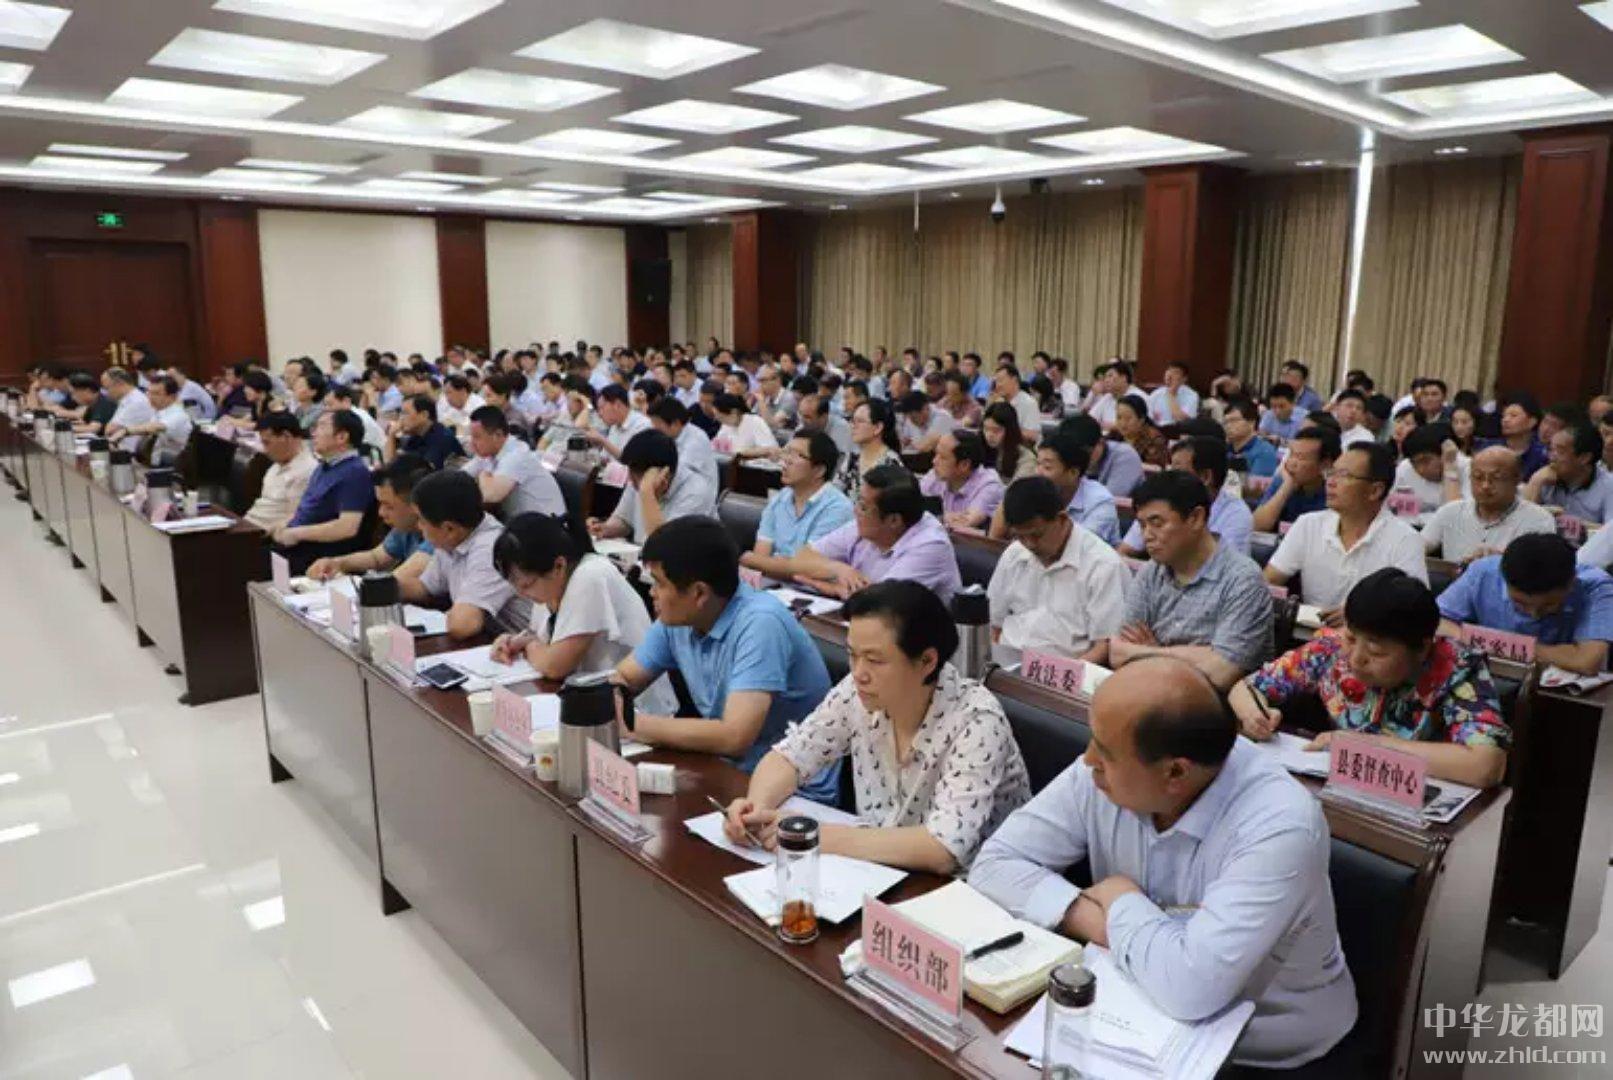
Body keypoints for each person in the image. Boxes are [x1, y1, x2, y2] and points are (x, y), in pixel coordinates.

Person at [969, 657, 1357, 1069]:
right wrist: (1100, 920)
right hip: (1130, 1010)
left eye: (1104, 751)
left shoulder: (1280, 825)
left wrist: (1120, 899)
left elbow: (1193, 988)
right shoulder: (1110, 768)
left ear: (1175, 773)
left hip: (1265, 1049)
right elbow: (994, 864)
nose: (1087, 759)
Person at [725, 581, 1031, 872]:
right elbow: (790, 757)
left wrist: (823, 836)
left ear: (926, 661)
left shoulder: (977, 720)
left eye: (875, 660)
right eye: (852, 655)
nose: (859, 673)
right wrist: (755, 810)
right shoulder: (856, 691)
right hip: (879, 870)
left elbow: (943, 849)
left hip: (969, 890)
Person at [611, 517, 840, 802]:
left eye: (659, 583)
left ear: (699, 593)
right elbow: (624, 678)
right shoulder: (678, 619)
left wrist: (631, 723)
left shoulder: (760, 623)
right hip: (725, 770)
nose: (651, 592)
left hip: (793, 793)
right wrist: (610, 699)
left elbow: (735, 737)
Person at [1235, 569, 1510, 789]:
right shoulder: (1330, 648)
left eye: (1376, 652)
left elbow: (1487, 765)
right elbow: (1243, 687)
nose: (1356, 659)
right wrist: (1253, 714)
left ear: (1422, 648)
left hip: (1412, 803)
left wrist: (1364, 746)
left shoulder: (1457, 668)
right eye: (1351, 638)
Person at [1086, 471, 1272, 689]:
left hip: (1213, 704)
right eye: (1142, 525)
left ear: (1196, 518)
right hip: (1149, 690)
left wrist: (1152, 652)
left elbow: (1222, 672)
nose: (1147, 535)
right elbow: (1118, 653)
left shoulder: (1242, 579)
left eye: (1157, 523)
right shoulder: (1151, 572)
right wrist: (1195, 655)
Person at [487, 513, 678, 713]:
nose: (521, 594)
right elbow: (544, 643)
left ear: (559, 566)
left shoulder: (590, 576)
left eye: (527, 585)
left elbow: (554, 666)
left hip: (636, 709)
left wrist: (529, 645)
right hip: (590, 699)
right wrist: (516, 641)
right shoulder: (552, 583)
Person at [1265, 442, 1428, 618]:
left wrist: (1361, 614)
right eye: (1331, 473)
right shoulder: (1308, 524)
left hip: (1367, 632)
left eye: (1344, 475)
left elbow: (1413, 610)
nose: (1330, 482)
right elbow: (1270, 579)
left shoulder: (1405, 539)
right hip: (1308, 629)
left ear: (1375, 491)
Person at [989, 477, 1128, 658]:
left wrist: (1068, 671)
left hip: (1066, 668)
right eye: (1020, 537)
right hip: (1008, 660)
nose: (1029, 545)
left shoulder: (1103, 565)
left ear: (1062, 519)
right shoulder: (1014, 554)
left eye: (1036, 535)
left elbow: (1105, 646)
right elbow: (995, 624)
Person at [1437, 534, 1613, 676]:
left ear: (1571, 583)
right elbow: (1436, 624)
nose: (1534, 614)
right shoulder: (1484, 572)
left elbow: (1586, 661)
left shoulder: (1597, 588)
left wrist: (1485, 642)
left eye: (1549, 605)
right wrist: (1558, 654)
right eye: (1519, 603)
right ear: (1504, 579)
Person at [782, 464, 961, 602]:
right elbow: (800, 560)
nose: (855, 511)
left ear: (893, 520)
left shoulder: (931, 545)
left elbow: (880, 602)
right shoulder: (867, 524)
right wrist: (838, 569)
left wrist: (832, 588)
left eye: (863, 507)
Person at [398, 470, 527, 638]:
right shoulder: (452, 539)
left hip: (526, 647)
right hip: (495, 642)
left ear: (449, 528)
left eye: (421, 520)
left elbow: (463, 625)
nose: (418, 526)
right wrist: (380, 586)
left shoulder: (491, 549)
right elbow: (425, 588)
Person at [305, 454, 435, 584]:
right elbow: (376, 558)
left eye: (388, 506)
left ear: (416, 505)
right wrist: (336, 563)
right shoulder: (406, 528)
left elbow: (390, 585)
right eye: (380, 504)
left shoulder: (438, 537)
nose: (381, 513)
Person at [741, 432, 855, 577]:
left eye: (798, 455)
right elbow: (760, 557)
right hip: (769, 582)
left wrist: (750, 559)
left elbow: (806, 569)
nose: (786, 460)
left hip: (810, 589)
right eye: (787, 452)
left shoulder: (838, 508)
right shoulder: (780, 498)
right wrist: (773, 564)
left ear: (819, 470)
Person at [273, 411, 374, 573]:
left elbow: (347, 527)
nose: (314, 433)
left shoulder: (355, 472)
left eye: (321, 426)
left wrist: (296, 533)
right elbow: (307, 508)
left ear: (342, 437)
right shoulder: (324, 466)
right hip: (294, 544)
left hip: (318, 556)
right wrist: (285, 524)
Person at [1118, 436, 1251, 555]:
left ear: (1205, 477)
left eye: (1177, 473)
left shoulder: (1236, 515)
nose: (1169, 480)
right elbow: (1125, 551)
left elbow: (1224, 568)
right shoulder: (1160, 503)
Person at [1421, 446, 1555, 564]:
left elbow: (1537, 569)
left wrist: (1500, 561)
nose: (1485, 486)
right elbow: (1418, 548)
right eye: (1478, 477)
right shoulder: (1450, 512)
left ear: (1517, 479)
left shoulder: (1538, 519)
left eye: (1496, 478)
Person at [590, 430, 717, 545]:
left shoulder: (696, 493)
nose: (630, 480)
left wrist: (647, 493)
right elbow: (624, 521)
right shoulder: (636, 476)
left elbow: (663, 547)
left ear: (664, 474)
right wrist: (606, 529)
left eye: (635, 475)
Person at [992, 432, 1119, 546]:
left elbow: (1081, 548)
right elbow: (995, 538)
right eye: (1038, 464)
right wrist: (1014, 496)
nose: (1038, 472)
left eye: (1047, 467)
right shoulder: (1036, 492)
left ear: (1073, 473)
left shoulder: (1100, 502)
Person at [462, 406, 566, 520]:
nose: (472, 443)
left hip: (547, 524)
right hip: (520, 521)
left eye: (477, 437)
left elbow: (491, 496)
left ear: (497, 435)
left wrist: (483, 474)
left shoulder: (517, 455)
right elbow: (459, 477)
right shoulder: (488, 452)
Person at [240, 413, 318, 533]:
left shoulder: (307, 471)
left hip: (265, 534)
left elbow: (295, 521)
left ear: (286, 437)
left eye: (267, 443)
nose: (265, 450)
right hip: (248, 525)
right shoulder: (276, 464)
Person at [1250, 425, 1336, 533]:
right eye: (1291, 454)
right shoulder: (1283, 481)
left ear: (1325, 465)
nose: (1292, 462)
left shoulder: (1334, 491)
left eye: (1301, 457)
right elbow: (1256, 526)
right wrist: (1286, 488)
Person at [1523, 422, 1613, 524]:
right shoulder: (1545, 478)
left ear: (1584, 458)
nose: (1551, 457)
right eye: (1551, 449)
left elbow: (1610, 530)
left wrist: (1576, 525)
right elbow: (1521, 522)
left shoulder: (1609, 486)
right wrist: (1536, 481)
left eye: (1560, 452)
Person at [918, 431, 1003, 530]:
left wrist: (937, 516)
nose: (934, 461)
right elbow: (911, 507)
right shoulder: (935, 475)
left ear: (964, 465)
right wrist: (943, 517)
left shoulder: (989, 485)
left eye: (943, 457)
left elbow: (965, 523)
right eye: (936, 454)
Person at [107, 374, 193, 466]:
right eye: (149, 392)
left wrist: (125, 431)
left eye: (156, 394)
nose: (150, 397)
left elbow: (156, 427)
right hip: (152, 462)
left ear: (172, 396)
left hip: (172, 466)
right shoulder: (158, 411)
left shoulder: (178, 414)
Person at [1060, 414, 1145, 500]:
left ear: (1100, 442)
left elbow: (1108, 498)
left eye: (1085, 453)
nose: (1079, 459)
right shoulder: (1066, 456)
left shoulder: (1125, 456)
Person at [646, 397, 720, 492]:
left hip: (696, 494)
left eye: (657, 424)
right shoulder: (670, 436)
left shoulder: (696, 440)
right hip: (679, 489)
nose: (654, 429)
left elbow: (677, 476)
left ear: (675, 423)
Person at [838, 400, 904, 503]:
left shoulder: (891, 462)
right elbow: (836, 492)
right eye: (852, 421)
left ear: (878, 427)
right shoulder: (852, 458)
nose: (853, 426)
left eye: (860, 421)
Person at [1393, 424, 1467, 516]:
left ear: (1443, 454)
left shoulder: (1468, 469)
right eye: (1414, 464)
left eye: (1425, 461)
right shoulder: (1405, 468)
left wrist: (1450, 467)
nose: (1420, 470)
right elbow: (1398, 511)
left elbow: (1456, 515)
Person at [1483, 393, 1549, 479]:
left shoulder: (1543, 454)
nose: (1506, 420)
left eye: (1513, 415)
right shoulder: (1489, 449)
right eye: (1504, 416)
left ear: (1531, 422)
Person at [388, 394, 461, 469]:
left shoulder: (441, 438)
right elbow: (393, 467)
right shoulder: (417, 436)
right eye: (401, 413)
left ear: (424, 415)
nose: (401, 419)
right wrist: (391, 435)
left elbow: (425, 471)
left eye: (406, 413)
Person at [587, 383, 652, 459]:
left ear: (617, 405)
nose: (599, 414)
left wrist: (603, 441)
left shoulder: (642, 425)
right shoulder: (614, 425)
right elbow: (605, 458)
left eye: (602, 408)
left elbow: (632, 461)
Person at [99, 367, 155, 454]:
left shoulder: (136, 401)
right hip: (120, 450)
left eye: (107, 388)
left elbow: (109, 431)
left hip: (130, 455)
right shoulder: (126, 399)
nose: (106, 393)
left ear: (119, 383)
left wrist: (109, 429)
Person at [981, 402, 1036, 484]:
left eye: (996, 430)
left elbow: (1018, 488)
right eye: (986, 429)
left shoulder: (1026, 458)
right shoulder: (980, 449)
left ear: (1010, 430)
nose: (989, 435)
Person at [712, 393, 779, 459]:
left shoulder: (755, 421)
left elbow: (770, 449)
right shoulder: (726, 425)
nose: (719, 420)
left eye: (721, 417)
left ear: (734, 412)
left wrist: (741, 453)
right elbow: (716, 446)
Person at [1222, 398, 1277, 478]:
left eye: (1234, 420)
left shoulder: (1264, 451)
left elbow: (1257, 484)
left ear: (1251, 422)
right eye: (1226, 422)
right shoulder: (1223, 449)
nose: (1228, 426)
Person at [326, 383, 385, 454]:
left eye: (330, 404)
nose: (326, 409)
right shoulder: (349, 414)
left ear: (346, 401)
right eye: (325, 405)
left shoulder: (357, 417)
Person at [990, 364, 1042, 445]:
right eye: (996, 381)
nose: (998, 385)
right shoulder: (998, 402)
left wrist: (1005, 430)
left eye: (1001, 380)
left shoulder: (1028, 403)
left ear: (1014, 380)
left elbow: (1032, 435)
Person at [1113, 395, 1168, 467]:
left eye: (1128, 419)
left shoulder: (1154, 440)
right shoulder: (1114, 435)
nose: (1123, 424)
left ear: (1141, 420)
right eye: (1119, 417)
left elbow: (1154, 469)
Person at [894, 390, 954, 455]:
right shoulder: (910, 418)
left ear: (925, 408)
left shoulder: (942, 417)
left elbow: (925, 447)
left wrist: (911, 443)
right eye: (908, 417)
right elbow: (903, 442)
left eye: (914, 417)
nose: (911, 421)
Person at [1146, 361, 1199, 426]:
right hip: (1158, 430)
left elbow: (1183, 421)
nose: (1170, 374)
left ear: (1184, 379)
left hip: (1180, 430)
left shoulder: (1191, 395)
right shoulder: (1156, 394)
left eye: (1175, 372)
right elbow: (1149, 419)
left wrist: (1171, 393)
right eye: (1169, 371)